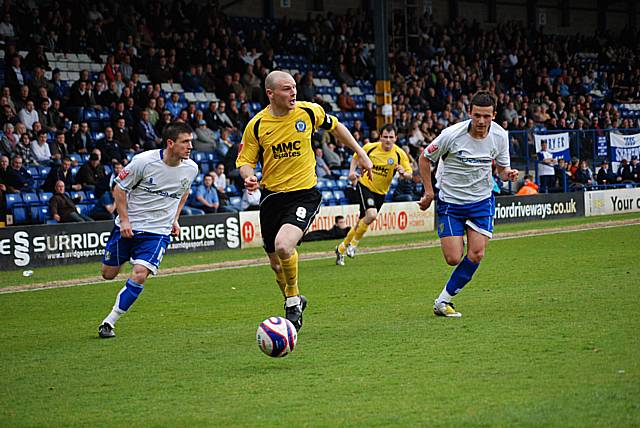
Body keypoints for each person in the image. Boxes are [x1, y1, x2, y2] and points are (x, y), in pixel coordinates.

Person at [236, 70, 373, 331]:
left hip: (304, 194)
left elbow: (337, 127)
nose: (293, 92)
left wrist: (361, 153)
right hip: (271, 197)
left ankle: (291, 304)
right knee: (276, 264)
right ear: (270, 94)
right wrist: (249, 176)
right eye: (287, 89)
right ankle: (294, 298)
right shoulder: (256, 125)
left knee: (284, 246)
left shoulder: (309, 112)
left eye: (294, 87)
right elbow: (244, 161)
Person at [418, 91, 518, 317]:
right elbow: (424, 158)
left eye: (486, 116)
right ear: (469, 113)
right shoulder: (451, 135)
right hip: (451, 201)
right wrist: (428, 191)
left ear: (494, 115)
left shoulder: (500, 137)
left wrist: (507, 174)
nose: (481, 121)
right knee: (453, 258)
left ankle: (443, 301)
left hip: (481, 200)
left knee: (476, 253)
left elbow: (501, 170)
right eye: (477, 116)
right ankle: (458, 238)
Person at [97, 122, 198, 338]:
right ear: (171, 143)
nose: (190, 146)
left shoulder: (191, 168)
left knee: (140, 274)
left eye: (191, 141)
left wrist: (175, 219)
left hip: (158, 232)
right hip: (129, 227)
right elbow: (119, 188)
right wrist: (124, 221)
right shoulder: (143, 161)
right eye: (185, 142)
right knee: (108, 274)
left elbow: (184, 192)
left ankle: (109, 321)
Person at [335, 124, 412, 265]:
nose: (388, 140)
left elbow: (409, 174)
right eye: (385, 137)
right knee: (371, 215)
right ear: (380, 136)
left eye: (391, 137)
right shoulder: (370, 147)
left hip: (381, 192)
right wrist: (351, 172)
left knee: (361, 222)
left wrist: (403, 173)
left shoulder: (399, 154)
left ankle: (340, 249)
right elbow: (355, 156)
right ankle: (353, 245)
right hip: (364, 186)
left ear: (395, 138)